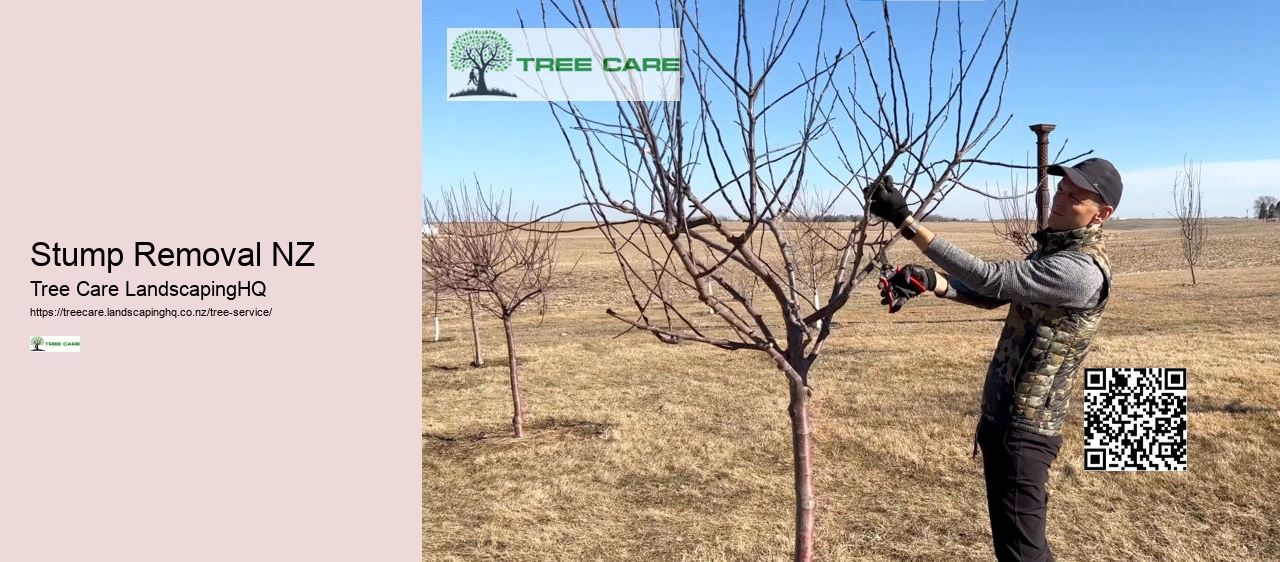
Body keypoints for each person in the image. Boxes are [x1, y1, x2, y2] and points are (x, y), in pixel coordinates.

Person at [864, 158, 1123, 562]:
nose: (1060, 198)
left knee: (1023, 554)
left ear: (1101, 215)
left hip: (1024, 429)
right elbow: (991, 296)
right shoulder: (1053, 253)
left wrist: (906, 222)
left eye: (1075, 196)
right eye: (1061, 188)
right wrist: (932, 282)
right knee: (1020, 547)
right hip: (1008, 423)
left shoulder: (1080, 270)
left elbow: (993, 278)